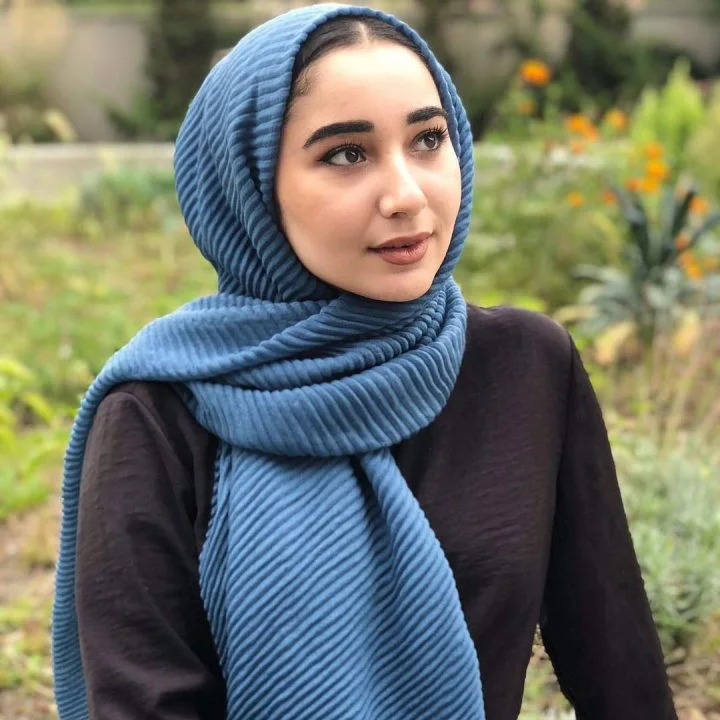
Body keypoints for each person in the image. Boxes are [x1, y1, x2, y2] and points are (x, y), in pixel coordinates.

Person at [51, 4, 678, 720]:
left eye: (428, 139)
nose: (407, 195)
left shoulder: (527, 368)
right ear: (249, 184)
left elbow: (618, 669)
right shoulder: (160, 414)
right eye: (347, 154)